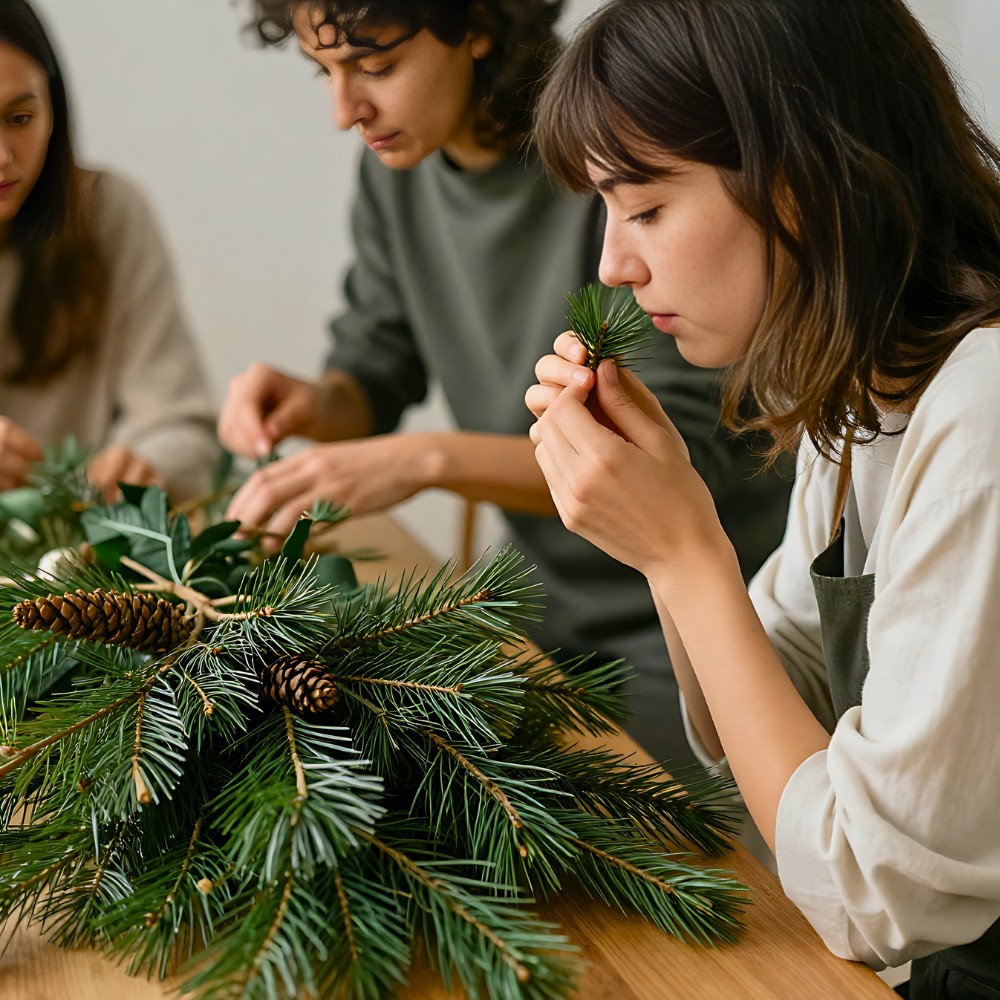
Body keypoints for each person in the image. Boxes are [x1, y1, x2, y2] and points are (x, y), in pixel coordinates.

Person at [525, 0, 1000, 994]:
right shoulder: (856, 386)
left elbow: (876, 892)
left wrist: (683, 553)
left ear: (798, 184)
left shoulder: (981, 411)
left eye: (645, 207)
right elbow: (777, 700)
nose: (612, 265)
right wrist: (665, 514)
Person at [219, 0, 793, 769]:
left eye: (376, 67)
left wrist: (425, 461)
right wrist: (320, 403)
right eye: (324, 73)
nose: (344, 111)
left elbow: (671, 455)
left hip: (700, 630)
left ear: (477, 22)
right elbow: (377, 364)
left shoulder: (616, 153)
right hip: (531, 607)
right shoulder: (398, 174)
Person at [0, 0, 217, 502]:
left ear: (55, 112)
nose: (4, 157)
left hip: (77, 565)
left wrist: (147, 466)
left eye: (19, 117)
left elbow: (180, 425)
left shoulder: (106, 215)